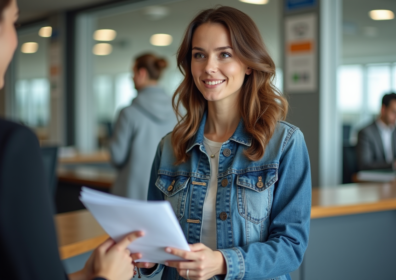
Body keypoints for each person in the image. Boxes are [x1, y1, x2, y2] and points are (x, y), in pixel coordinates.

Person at [136, 6, 311, 280]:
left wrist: (221, 262)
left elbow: (291, 248)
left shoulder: (285, 143)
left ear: (249, 64)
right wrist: (148, 259)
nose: (208, 67)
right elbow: (157, 243)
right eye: (199, 55)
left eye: (224, 54)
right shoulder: (169, 147)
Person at [0, 0, 143, 279]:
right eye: (13, 23)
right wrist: (106, 277)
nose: (14, 38)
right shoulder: (12, 144)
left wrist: (85, 275)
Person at [110, 53, 177, 200]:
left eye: (132, 73)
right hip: (167, 194)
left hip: (132, 196)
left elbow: (116, 157)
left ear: (141, 73)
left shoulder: (128, 113)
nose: (131, 78)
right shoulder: (179, 111)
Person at [356, 93, 396, 171]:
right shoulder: (365, 133)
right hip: (375, 179)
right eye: (394, 112)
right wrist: (394, 165)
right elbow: (365, 164)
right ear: (383, 109)